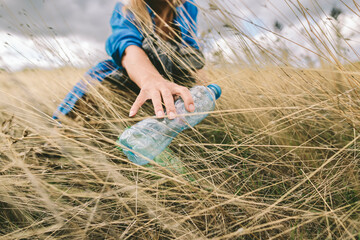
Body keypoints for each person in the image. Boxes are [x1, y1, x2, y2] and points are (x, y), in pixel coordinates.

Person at [52, 0, 205, 122]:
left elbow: (191, 53)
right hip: (120, 78)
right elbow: (127, 46)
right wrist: (151, 80)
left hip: (168, 82)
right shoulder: (126, 9)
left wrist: (200, 90)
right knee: (69, 130)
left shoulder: (188, 8)